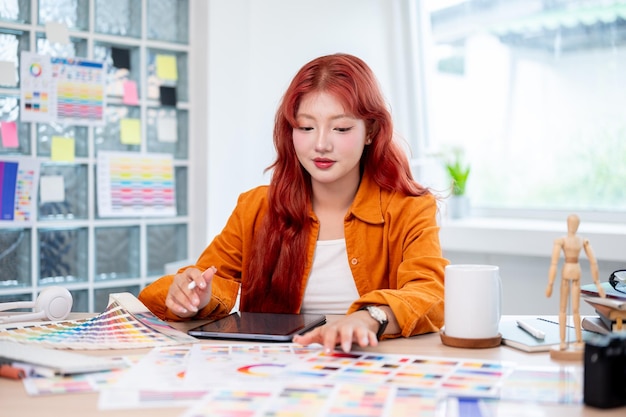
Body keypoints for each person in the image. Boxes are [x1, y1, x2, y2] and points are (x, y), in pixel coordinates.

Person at [138, 53, 448, 353]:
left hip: (370, 371)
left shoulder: (410, 208)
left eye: (340, 128)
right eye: (306, 127)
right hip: (275, 378)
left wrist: (371, 318)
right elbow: (206, 281)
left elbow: (431, 293)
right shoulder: (256, 208)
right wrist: (194, 297)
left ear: (371, 131)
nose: (321, 144)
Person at [546, 214, 605, 350]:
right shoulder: (562, 240)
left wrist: (597, 283)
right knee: (563, 308)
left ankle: (578, 339)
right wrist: (550, 283)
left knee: (575, 309)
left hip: (574, 271)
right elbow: (554, 263)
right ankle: (563, 340)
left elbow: (593, 261)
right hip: (568, 271)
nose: (573, 226)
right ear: (568, 224)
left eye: (575, 224)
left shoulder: (582, 240)